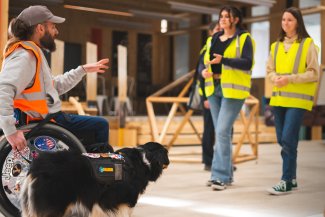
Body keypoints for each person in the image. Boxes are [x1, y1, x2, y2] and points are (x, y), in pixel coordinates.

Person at [0, 5, 112, 153]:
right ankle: (92, 172)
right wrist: (10, 131)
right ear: (40, 28)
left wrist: (82, 70)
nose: (56, 31)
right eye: (53, 26)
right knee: (100, 126)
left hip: (43, 119)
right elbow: (3, 89)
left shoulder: (32, 54)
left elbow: (55, 86)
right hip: (40, 121)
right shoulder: (25, 56)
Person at [266, 7, 319, 195]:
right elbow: (269, 70)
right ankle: (293, 178)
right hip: (279, 98)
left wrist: (290, 79)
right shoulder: (276, 45)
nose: (285, 23)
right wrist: (275, 79)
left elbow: (314, 73)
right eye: (283, 20)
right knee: (283, 140)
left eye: (290, 20)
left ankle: (286, 180)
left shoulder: (308, 44)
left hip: (297, 100)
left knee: (288, 139)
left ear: (298, 22)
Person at [201, 5, 255, 190]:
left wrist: (223, 60)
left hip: (233, 90)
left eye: (227, 16)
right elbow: (206, 63)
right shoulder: (214, 38)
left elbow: (247, 63)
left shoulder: (244, 38)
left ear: (236, 20)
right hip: (213, 88)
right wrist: (205, 72)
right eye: (221, 16)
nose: (222, 19)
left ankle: (219, 176)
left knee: (223, 132)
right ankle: (225, 174)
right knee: (221, 133)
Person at [197, 21, 220, 171]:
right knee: (209, 130)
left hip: (220, 95)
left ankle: (221, 161)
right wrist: (205, 98)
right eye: (217, 29)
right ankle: (208, 161)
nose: (220, 31)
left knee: (222, 131)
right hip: (208, 96)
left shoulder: (221, 48)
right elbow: (201, 75)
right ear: (211, 32)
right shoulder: (206, 49)